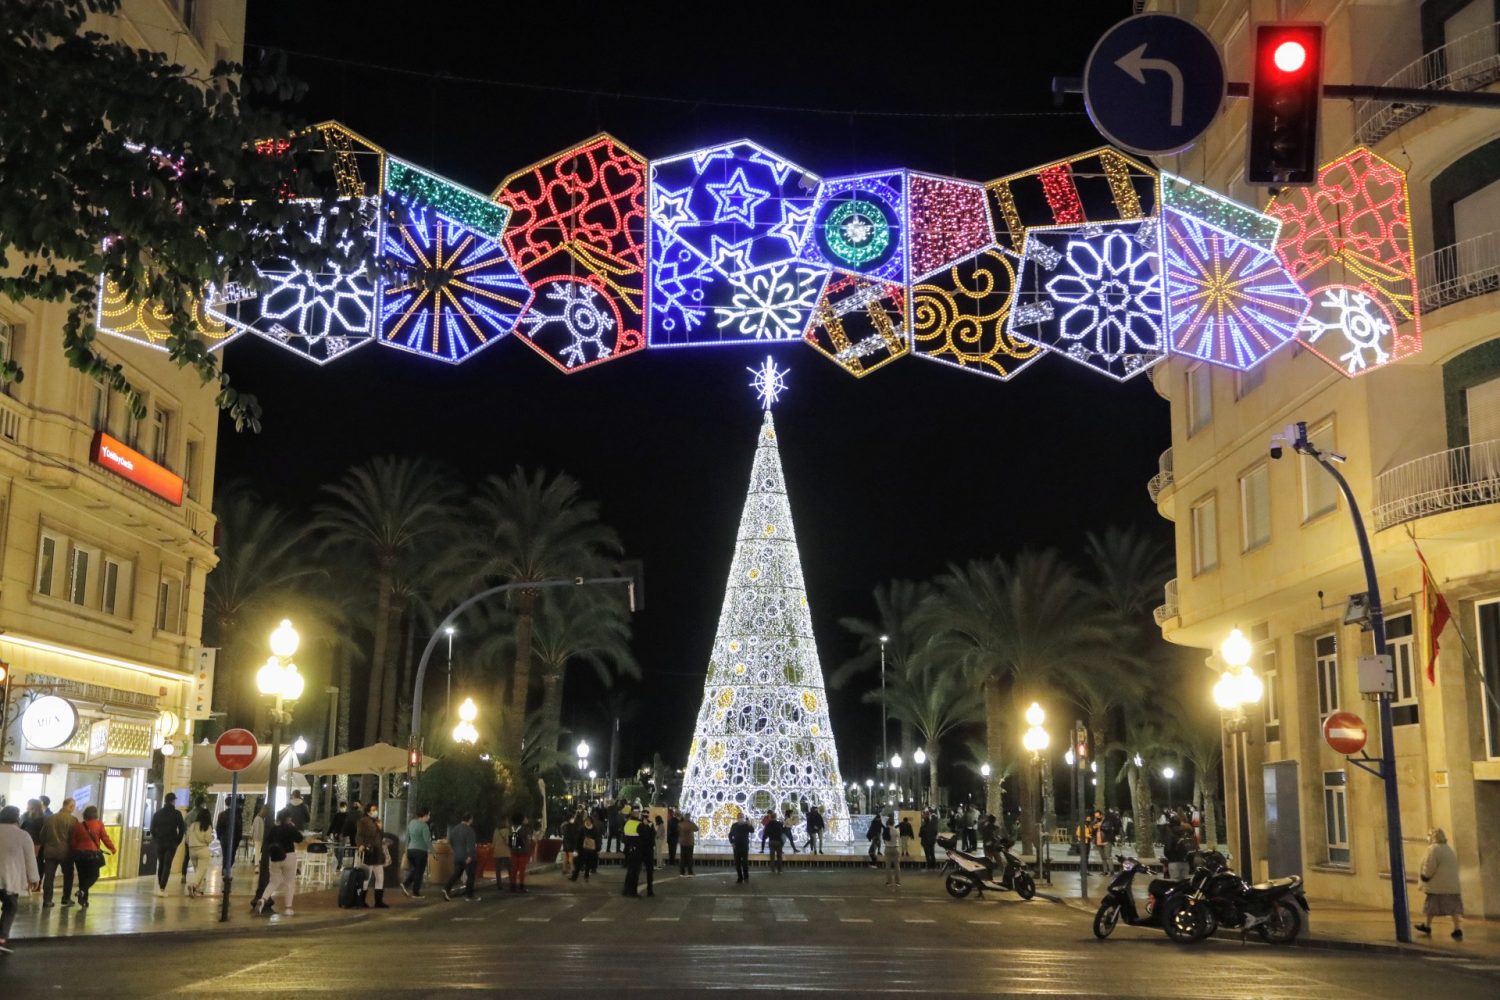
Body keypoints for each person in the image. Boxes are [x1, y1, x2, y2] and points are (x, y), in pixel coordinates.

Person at [1, 805, 42, 955]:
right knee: (10, 907)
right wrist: (34, 878)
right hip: (10, 879)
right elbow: (30, 859)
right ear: (16, 818)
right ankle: (2, 938)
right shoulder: (23, 835)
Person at [1415, 828, 1465, 940]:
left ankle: (1427, 926)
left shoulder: (1433, 849)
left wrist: (1425, 876)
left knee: (1431, 906)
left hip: (1438, 885)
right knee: (1454, 908)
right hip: (1452, 885)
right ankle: (1457, 929)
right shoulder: (1449, 849)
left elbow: (1429, 865)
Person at [255, 809, 304, 916]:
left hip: (275, 858)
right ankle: (288, 908)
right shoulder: (290, 828)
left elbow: (267, 842)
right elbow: (300, 839)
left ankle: (263, 899)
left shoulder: (274, 829)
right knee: (289, 883)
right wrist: (294, 827)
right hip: (289, 856)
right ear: (288, 818)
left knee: (273, 882)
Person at [68, 805, 114, 908]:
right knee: (94, 875)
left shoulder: (78, 825)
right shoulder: (98, 824)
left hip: (79, 855)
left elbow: (73, 841)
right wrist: (112, 848)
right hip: (92, 855)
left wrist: (76, 850)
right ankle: (82, 891)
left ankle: (83, 900)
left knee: (82, 877)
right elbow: (105, 838)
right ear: (95, 814)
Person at [40, 797, 79, 906]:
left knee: (49, 877)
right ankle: (66, 898)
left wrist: (47, 845)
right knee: (68, 876)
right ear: (70, 807)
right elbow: (74, 838)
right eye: (73, 807)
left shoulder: (50, 818)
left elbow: (42, 836)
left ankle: (47, 900)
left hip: (50, 852)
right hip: (66, 853)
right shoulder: (73, 820)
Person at [356, 802, 388, 909]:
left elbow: (380, 835)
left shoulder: (376, 821)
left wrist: (380, 828)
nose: (375, 811)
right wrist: (360, 845)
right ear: (368, 811)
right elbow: (362, 834)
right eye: (373, 809)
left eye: (376, 809)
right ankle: (361, 900)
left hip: (377, 852)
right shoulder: (364, 821)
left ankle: (378, 901)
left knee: (380, 876)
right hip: (369, 852)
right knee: (367, 877)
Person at [442, 814, 477, 901]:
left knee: (457, 873)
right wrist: (470, 856)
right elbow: (471, 845)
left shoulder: (454, 829)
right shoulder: (469, 830)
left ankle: (446, 888)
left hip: (458, 856)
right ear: (470, 819)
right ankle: (469, 896)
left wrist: (455, 850)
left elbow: (450, 841)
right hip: (467, 856)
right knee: (471, 875)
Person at [402, 807, 432, 898]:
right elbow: (427, 840)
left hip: (411, 850)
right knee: (419, 872)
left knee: (416, 869)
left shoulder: (411, 823)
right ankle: (415, 892)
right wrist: (432, 851)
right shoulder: (424, 826)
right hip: (421, 851)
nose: (429, 817)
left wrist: (406, 848)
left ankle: (406, 884)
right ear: (425, 815)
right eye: (429, 815)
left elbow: (407, 836)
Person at [184, 807, 214, 898]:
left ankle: (198, 890)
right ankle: (193, 885)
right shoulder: (207, 826)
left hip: (192, 850)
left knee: (198, 871)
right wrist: (211, 838)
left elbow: (187, 839)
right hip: (203, 850)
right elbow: (208, 839)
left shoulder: (192, 825)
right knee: (201, 870)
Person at [620, 805, 644, 898]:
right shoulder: (639, 824)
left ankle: (626, 890)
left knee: (630, 871)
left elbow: (624, 838)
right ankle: (633, 892)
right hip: (637, 851)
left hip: (628, 850)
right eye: (638, 812)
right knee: (635, 872)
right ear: (637, 813)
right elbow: (644, 838)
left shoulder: (628, 823)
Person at [728, 810, 754, 884]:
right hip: (736, 846)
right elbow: (730, 835)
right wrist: (732, 842)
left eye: (742, 817)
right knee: (737, 863)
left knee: (745, 862)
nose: (741, 818)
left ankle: (746, 876)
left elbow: (752, 831)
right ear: (737, 818)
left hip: (744, 845)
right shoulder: (734, 825)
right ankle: (740, 877)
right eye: (739, 817)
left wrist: (750, 824)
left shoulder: (746, 825)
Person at [509, 814, 533, 893]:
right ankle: (521, 886)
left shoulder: (511, 828)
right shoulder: (524, 828)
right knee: (522, 870)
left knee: (514, 869)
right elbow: (529, 836)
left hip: (513, 851)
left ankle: (513, 886)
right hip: (523, 851)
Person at [575, 813, 600, 882]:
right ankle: (574, 876)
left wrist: (598, 849)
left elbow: (597, 839)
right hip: (582, 849)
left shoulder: (595, 829)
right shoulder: (582, 828)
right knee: (579, 863)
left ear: (591, 822)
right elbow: (578, 839)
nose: (587, 822)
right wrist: (577, 848)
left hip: (591, 849)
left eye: (588, 821)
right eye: (586, 821)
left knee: (588, 864)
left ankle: (586, 876)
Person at [637, 811, 657, 897]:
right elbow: (644, 834)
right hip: (644, 849)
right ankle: (650, 890)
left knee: (647, 870)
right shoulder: (641, 825)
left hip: (645, 849)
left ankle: (650, 890)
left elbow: (652, 834)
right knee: (646, 870)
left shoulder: (649, 824)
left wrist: (646, 826)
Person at [493, 815, 513, 889]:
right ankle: (512, 883)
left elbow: (494, 842)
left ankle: (499, 885)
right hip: (505, 852)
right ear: (505, 822)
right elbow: (508, 842)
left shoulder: (496, 830)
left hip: (497, 852)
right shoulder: (507, 831)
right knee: (510, 868)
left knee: (498, 870)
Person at [882, 815, 902, 887]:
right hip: (895, 848)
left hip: (887, 848)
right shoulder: (896, 830)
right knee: (897, 866)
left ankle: (888, 882)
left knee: (888, 866)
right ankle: (898, 882)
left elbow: (884, 839)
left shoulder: (885, 830)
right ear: (893, 823)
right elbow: (898, 838)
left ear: (888, 823)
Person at [678, 812, 698, 876]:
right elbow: (697, 829)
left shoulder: (680, 824)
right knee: (690, 858)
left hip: (682, 842)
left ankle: (682, 872)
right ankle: (690, 872)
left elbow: (678, 830)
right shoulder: (691, 824)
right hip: (689, 843)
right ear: (689, 817)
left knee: (682, 857)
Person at [560, 811, 579, 878]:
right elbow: (572, 836)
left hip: (565, 843)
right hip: (570, 843)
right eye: (573, 817)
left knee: (566, 857)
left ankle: (564, 869)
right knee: (571, 857)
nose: (573, 818)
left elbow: (564, 835)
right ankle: (573, 870)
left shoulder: (563, 825)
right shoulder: (569, 826)